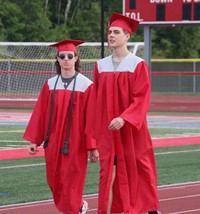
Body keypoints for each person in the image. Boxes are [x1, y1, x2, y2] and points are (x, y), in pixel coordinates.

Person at [93, 12, 160, 214]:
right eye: (109, 32)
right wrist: (94, 136)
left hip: (132, 129)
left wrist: (124, 118)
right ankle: (107, 210)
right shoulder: (101, 66)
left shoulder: (137, 64)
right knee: (108, 172)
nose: (111, 35)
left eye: (116, 32)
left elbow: (141, 98)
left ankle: (150, 208)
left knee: (141, 166)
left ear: (127, 36)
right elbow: (97, 101)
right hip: (108, 131)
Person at [23, 39, 99, 214]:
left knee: (72, 179)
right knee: (54, 180)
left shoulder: (86, 85)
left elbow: (92, 119)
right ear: (57, 59)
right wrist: (35, 140)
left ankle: (75, 208)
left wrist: (93, 146)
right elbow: (40, 114)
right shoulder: (50, 84)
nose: (66, 59)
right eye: (62, 56)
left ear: (76, 58)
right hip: (53, 141)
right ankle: (78, 205)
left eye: (69, 56)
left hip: (76, 142)